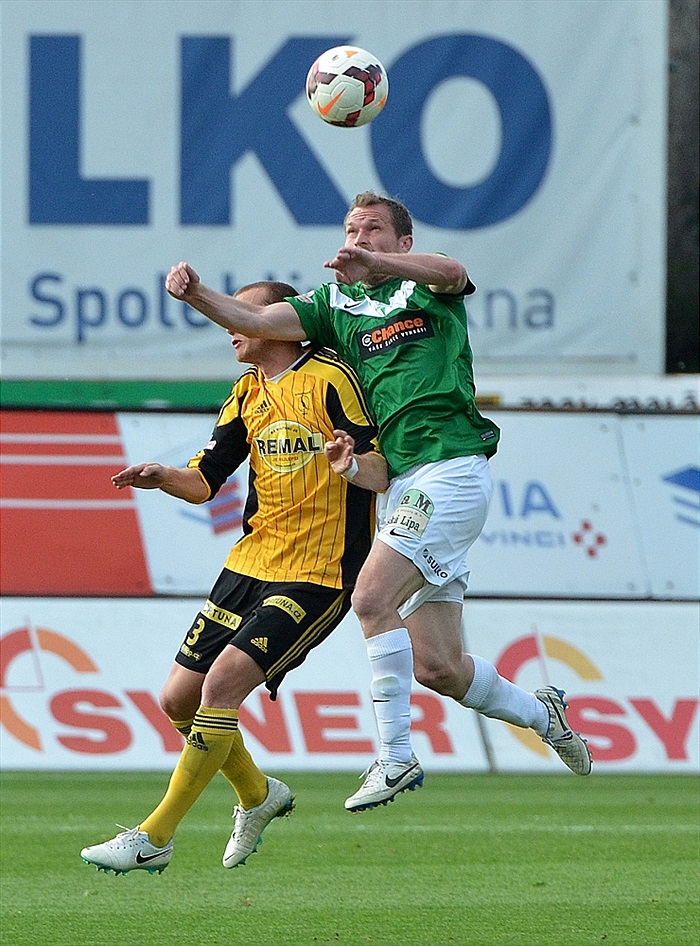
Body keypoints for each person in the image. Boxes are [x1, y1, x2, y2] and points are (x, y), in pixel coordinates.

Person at [164, 192, 593, 814]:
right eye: (350, 228)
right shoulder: (336, 307)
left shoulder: (427, 288)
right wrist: (196, 294)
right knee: (440, 668)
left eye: (372, 229)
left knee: (369, 597)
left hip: (450, 471)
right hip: (405, 485)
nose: (358, 236)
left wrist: (384, 268)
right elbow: (256, 321)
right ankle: (544, 715)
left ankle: (394, 756)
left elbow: (454, 272)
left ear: (402, 242)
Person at [80, 280, 388, 875]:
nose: (231, 328)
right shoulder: (246, 390)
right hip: (250, 565)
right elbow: (204, 482)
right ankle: (257, 793)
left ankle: (155, 837)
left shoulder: (333, 379)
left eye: (243, 315)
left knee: (220, 687)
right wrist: (162, 476)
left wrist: (354, 464)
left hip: (319, 572)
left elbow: (380, 464)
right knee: (177, 698)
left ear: (277, 323)